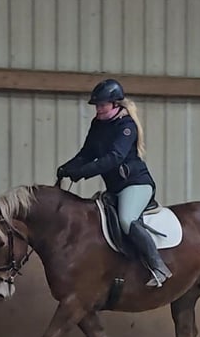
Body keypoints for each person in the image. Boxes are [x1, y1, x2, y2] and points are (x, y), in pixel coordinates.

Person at [56, 78, 173, 288]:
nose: (98, 109)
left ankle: (158, 267)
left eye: (102, 105)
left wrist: (83, 173)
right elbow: (87, 154)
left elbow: (114, 157)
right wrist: (67, 168)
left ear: (115, 104)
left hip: (136, 185)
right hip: (115, 188)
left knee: (127, 220)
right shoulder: (98, 125)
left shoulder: (126, 126)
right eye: (97, 105)